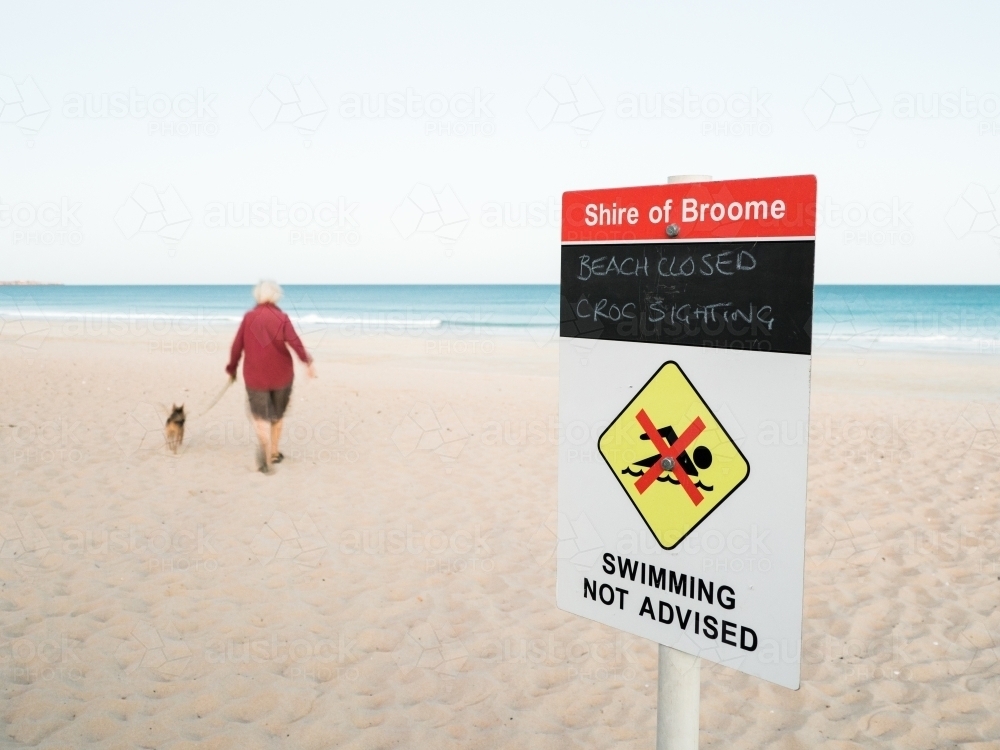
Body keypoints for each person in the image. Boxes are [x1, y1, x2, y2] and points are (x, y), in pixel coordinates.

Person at [226, 280, 316, 472]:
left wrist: (231, 368)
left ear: (257, 295)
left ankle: (264, 444)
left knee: (259, 415)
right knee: (277, 415)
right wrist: (307, 361)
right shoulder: (281, 317)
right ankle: (274, 452)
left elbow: (237, 346)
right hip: (282, 376)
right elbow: (295, 342)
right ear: (276, 296)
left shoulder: (249, 318)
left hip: (255, 376)